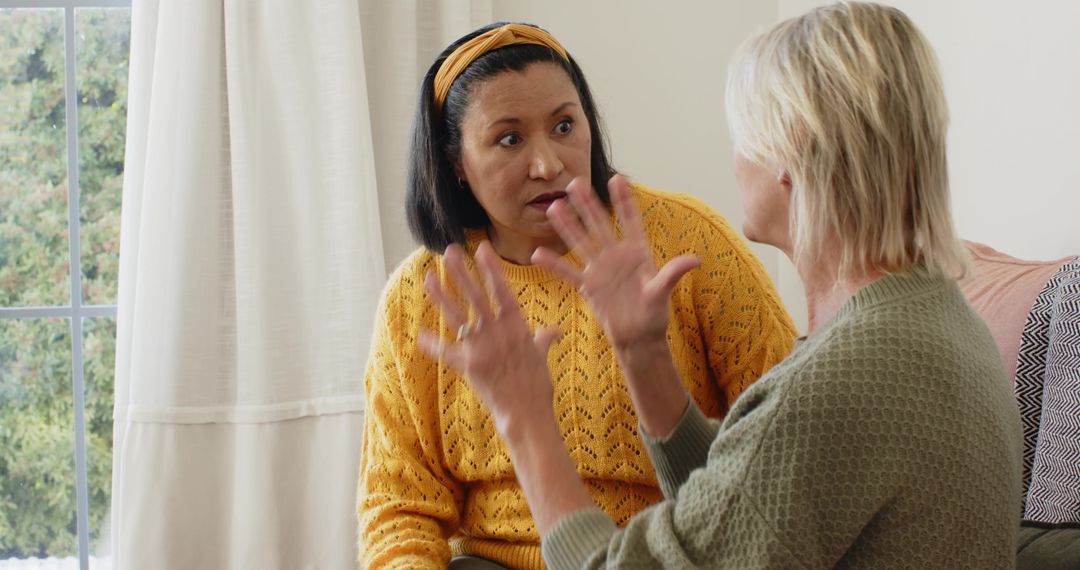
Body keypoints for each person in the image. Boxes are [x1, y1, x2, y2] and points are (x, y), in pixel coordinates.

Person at [420, 3, 1024, 568]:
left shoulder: (834, 387)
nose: (735, 159)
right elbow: (752, 499)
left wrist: (524, 419)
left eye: (742, 133)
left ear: (789, 149)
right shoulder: (936, 315)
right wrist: (644, 354)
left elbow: (774, 458)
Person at [356, 22, 797, 569]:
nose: (548, 163)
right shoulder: (421, 296)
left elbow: (785, 437)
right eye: (509, 139)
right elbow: (399, 513)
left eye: (564, 125)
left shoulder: (688, 243)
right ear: (456, 164)